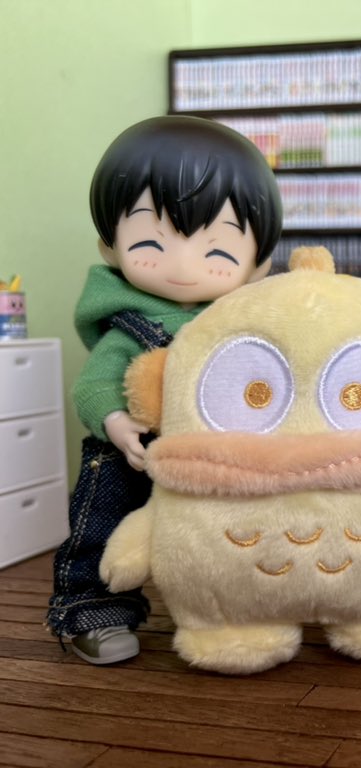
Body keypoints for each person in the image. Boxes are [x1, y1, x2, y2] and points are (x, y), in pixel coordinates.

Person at [46, 115, 282, 664]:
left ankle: (234, 605)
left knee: (235, 531)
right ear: (110, 247)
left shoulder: (252, 321)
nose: (182, 265)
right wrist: (114, 421)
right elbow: (93, 384)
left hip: (222, 454)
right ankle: (93, 607)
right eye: (152, 242)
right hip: (136, 451)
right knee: (104, 522)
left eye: (217, 253)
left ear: (257, 266)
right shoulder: (129, 325)